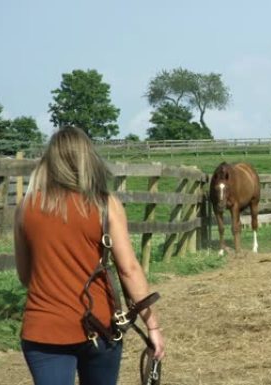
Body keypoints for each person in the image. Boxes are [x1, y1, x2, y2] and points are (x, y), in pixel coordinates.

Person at [14, 126, 165, 385]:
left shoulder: (26, 208)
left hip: (44, 330)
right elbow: (128, 268)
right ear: (88, 159)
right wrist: (152, 325)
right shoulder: (105, 205)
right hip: (99, 327)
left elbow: (26, 275)